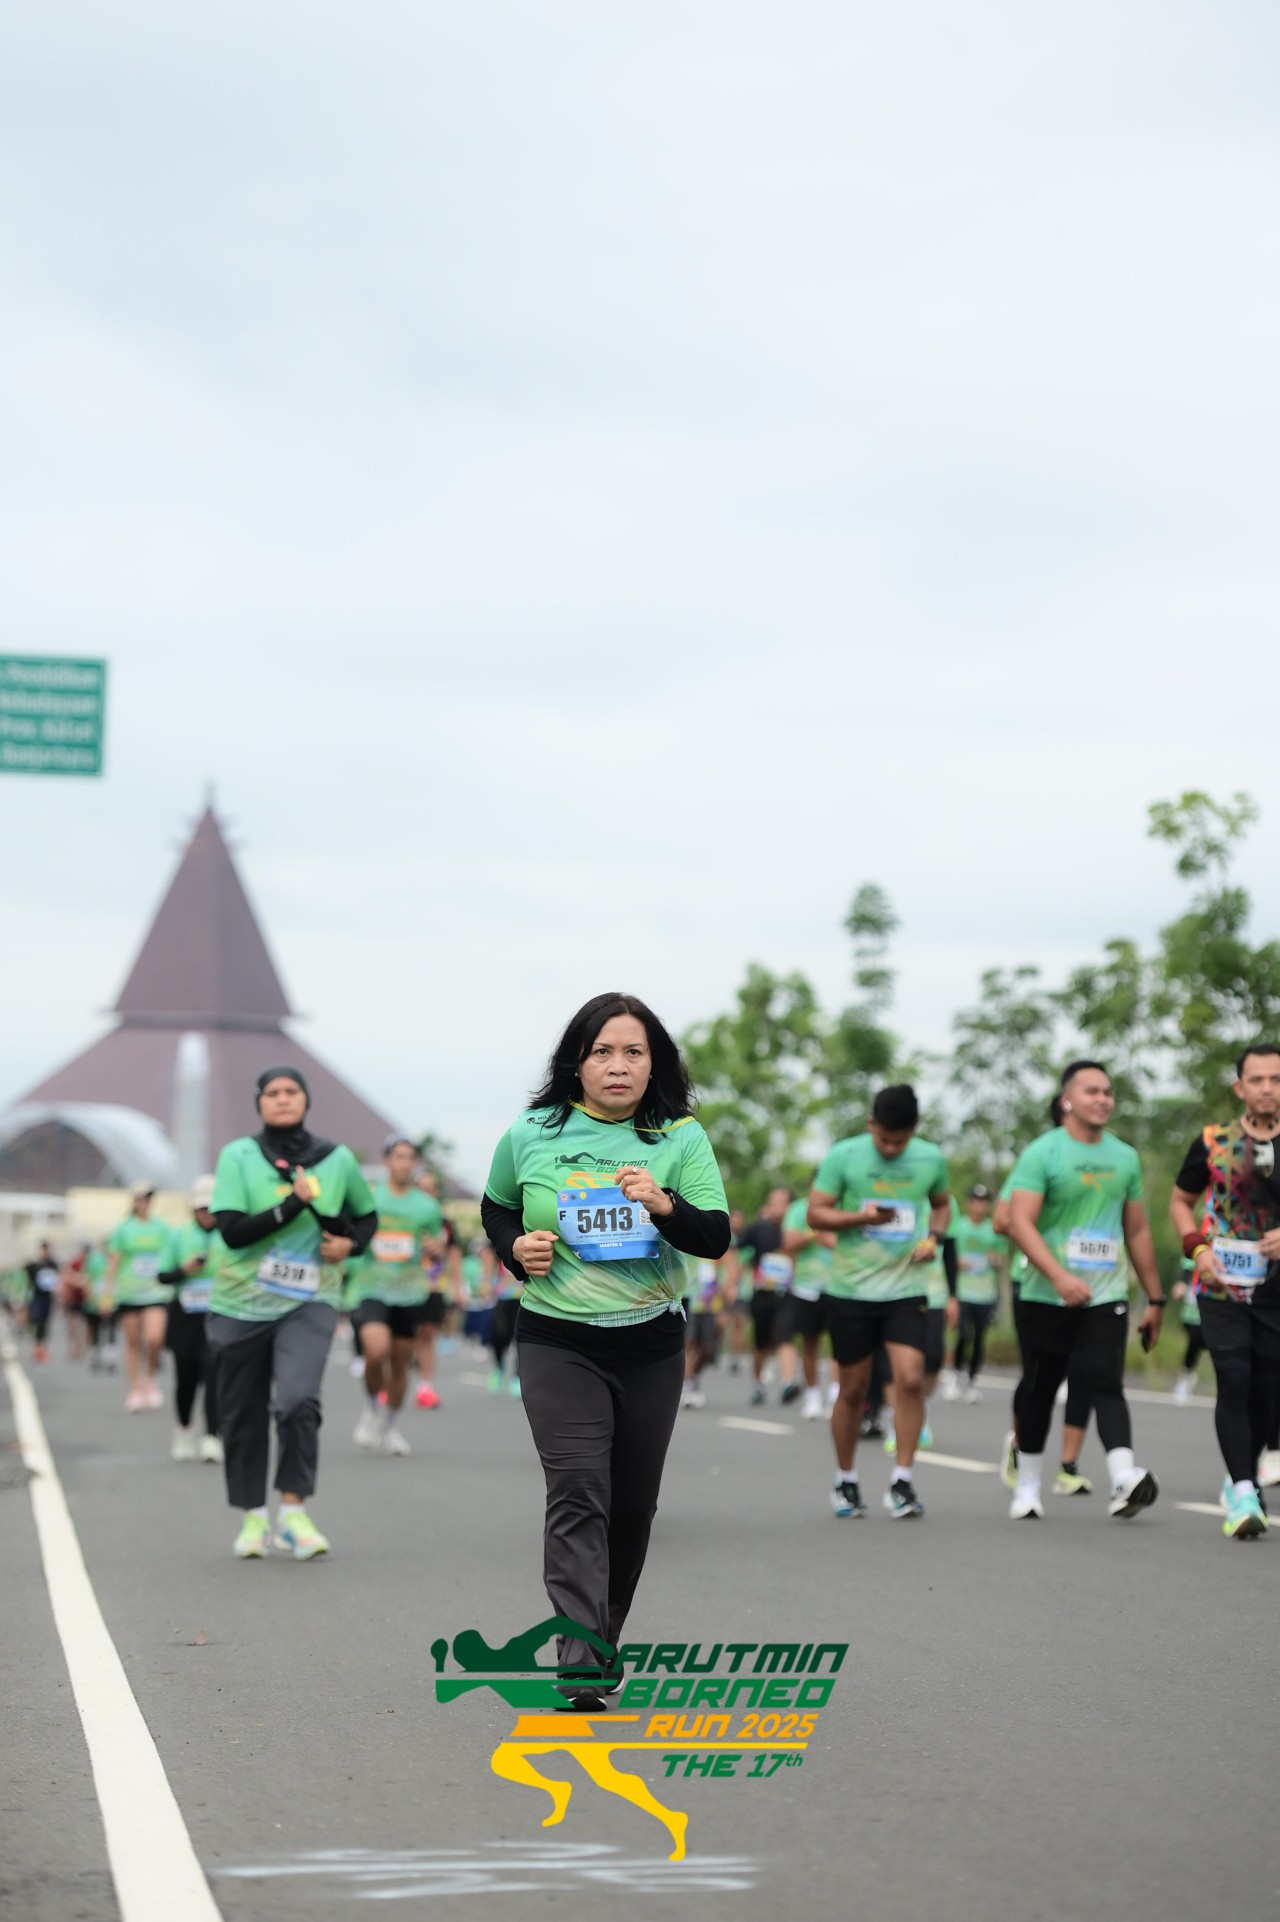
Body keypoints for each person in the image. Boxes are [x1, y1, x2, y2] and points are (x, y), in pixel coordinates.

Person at [481, 992, 729, 1708]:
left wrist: (664, 1205)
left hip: (650, 1341)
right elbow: (497, 1206)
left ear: (654, 1065)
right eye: (602, 1052)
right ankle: (579, 1657)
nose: (618, 1066)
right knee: (578, 1492)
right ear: (577, 1063)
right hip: (558, 1338)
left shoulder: (680, 1137)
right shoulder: (532, 1132)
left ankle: (603, 1635)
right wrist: (514, 1248)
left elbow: (714, 1236)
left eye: (634, 1053)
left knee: (632, 1507)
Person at [206, 1066, 377, 1560]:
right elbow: (232, 1232)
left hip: (310, 1299)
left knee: (298, 1399)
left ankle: (293, 1513)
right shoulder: (238, 1155)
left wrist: (349, 1246)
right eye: (272, 1093)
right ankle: (253, 1518)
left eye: (291, 1091)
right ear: (259, 1102)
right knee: (242, 1411)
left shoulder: (336, 1159)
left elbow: (367, 1217)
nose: (282, 1099)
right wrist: (293, 1204)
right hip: (240, 1303)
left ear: (306, 1099)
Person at [1005, 1061, 1162, 1523]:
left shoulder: (1125, 1157)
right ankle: (1027, 1485)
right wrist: (1058, 1275)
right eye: (1092, 1091)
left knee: (1105, 1381)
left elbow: (1136, 1230)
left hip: (1105, 1292)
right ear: (1067, 1100)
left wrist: (1155, 1298)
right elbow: (1019, 1222)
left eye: (1108, 1092)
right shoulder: (1042, 1153)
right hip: (1045, 1294)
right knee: (1041, 1387)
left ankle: (1123, 1477)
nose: (1103, 1099)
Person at [808, 1083, 951, 1520]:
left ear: (914, 1132)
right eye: (884, 1139)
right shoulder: (844, 1156)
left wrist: (933, 1238)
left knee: (910, 1379)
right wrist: (861, 1217)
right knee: (853, 1388)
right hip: (851, 1290)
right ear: (870, 1125)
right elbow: (816, 1213)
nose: (891, 1148)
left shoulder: (930, 1159)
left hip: (906, 1288)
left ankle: (902, 1481)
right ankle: (845, 1480)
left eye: (900, 1141)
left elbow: (941, 1205)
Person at [1169, 1042, 1280, 1539]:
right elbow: (1180, 1201)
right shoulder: (1213, 1141)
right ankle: (1243, 1489)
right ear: (1239, 1087)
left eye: (1276, 1079)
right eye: (1257, 1079)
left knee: (1266, 1388)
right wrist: (1197, 1249)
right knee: (1234, 1377)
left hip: (1276, 1290)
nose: (1267, 1088)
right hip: (1221, 1284)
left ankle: (1242, 1474)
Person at [352, 1135, 446, 1456]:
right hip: (372, 1287)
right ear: (386, 1161)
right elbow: (355, 1236)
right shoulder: (370, 1198)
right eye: (398, 1157)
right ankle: (370, 1408)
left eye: (410, 1158)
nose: (404, 1163)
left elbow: (437, 1245)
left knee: (400, 1363)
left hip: (410, 1292)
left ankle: (389, 1426)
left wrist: (435, 1249)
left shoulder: (427, 1206)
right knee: (375, 1350)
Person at [162, 1176, 223, 1463]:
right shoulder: (179, 1236)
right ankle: (184, 1429)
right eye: (201, 1209)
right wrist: (184, 1270)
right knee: (186, 1377)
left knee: (215, 1374)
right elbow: (162, 1275)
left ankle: (212, 1436)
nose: (206, 1214)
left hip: (218, 1315)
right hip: (185, 1316)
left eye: (211, 1208)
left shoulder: (230, 1235)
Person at [105, 1184, 173, 1412]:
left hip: (155, 1292)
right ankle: (134, 1389)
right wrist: (106, 1294)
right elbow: (114, 1262)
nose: (143, 1203)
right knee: (133, 1342)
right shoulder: (123, 1228)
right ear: (134, 1201)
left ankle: (150, 1377)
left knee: (154, 1338)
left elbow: (169, 1256)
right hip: (129, 1293)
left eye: (147, 1199)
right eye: (140, 1199)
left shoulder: (161, 1228)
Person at [946, 1185, 1005, 1402]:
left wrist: (994, 1259)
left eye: (983, 1201)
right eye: (975, 1201)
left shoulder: (993, 1229)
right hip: (963, 1292)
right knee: (963, 1334)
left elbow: (1000, 1258)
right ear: (969, 1203)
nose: (979, 1205)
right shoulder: (959, 1226)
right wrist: (956, 1262)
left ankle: (970, 1382)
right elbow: (948, 1254)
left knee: (979, 1339)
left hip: (985, 1294)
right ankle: (955, 1376)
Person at [737, 1188, 795, 1406]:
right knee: (761, 1343)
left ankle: (788, 1383)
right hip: (762, 1293)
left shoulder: (796, 1230)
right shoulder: (758, 1228)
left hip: (788, 1293)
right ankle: (759, 1384)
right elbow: (737, 1250)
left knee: (785, 1336)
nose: (774, 1205)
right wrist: (733, 1280)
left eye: (779, 1201)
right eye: (772, 1201)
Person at [779, 1196, 834, 1419]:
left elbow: (840, 1243)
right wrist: (813, 1234)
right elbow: (789, 1243)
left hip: (838, 1287)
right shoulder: (798, 1209)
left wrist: (823, 1237)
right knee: (810, 1343)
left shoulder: (843, 1205)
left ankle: (836, 1396)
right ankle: (813, 1397)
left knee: (842, 1345)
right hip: (805, 1288)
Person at [1170, 1257, 1204, 1405]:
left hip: (1217, 1311)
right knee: (1195, 1341)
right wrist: (1181, 1283)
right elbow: (1186, 1269)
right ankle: (1187, 1375)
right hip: (1193, 1313)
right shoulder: (1193, 1252)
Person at [23, 1243, 60, 1363]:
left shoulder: (52, 1264)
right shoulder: (35, 1265)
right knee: (37, 1322)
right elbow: (27, 1271)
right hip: (37, 1298)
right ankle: (37, 1347)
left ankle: (41, 1348)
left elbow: (57, 1280)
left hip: (48, 1298)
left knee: (45, 1323)